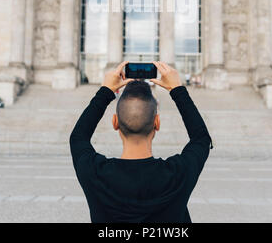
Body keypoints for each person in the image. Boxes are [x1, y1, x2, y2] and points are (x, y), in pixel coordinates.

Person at [69, 60, 213, 223]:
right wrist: (177, 90)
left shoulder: (95, 173)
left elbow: (78, 137)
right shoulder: (178, 174)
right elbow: (201, 138)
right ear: (157, 123)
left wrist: (105, 91)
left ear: (115, 122)